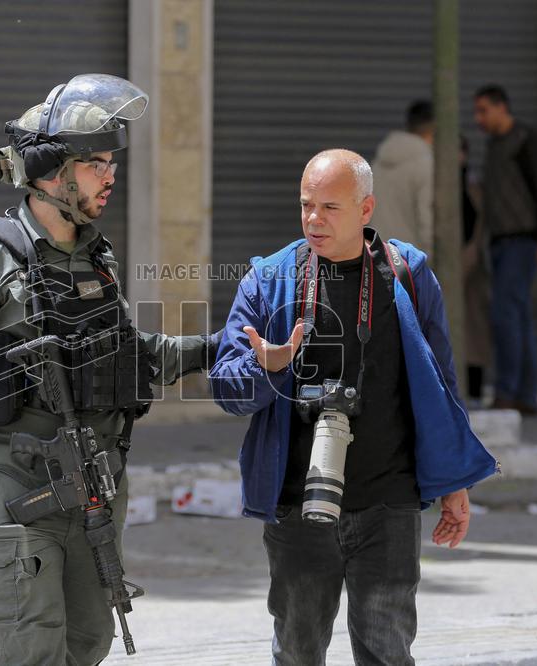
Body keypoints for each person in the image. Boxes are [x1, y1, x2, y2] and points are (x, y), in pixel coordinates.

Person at [0, 74, 218, 665]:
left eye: (111, 163)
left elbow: (131, 353)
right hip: (14, 488)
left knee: (87, 645)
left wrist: (221, 348)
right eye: (95, 164)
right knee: (32, 650)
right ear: (50, 172)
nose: (110, 176)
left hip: (93, 488)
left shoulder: (96, 256)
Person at [210, 149, 497, 665]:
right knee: (297, 653)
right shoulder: (269, 280)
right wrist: (267, 366)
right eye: (306, 205)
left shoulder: (408, 275)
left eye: (330, 207)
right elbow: (228, 391)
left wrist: (454, 481)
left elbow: (442, 385)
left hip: (389, 504)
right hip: (297, 507)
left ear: (366, 209)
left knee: (387, 653)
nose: (313, 219)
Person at [473, 84, 537, 415]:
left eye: (483, 110)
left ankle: (508, 392)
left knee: (505, 315)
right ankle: (526, 396)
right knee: (517, 317)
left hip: (522, 242)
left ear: (501, 107)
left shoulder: (525, 140)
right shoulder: (493, 145)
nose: (478, 118)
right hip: (500, 243)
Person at [369, 100, 434, 254]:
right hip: (410, 258)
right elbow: (427, 219)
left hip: (378, 252)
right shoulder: (426, 164)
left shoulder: (377, 163)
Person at [460, 134, 491, 405]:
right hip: (450, 267)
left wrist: (472, 252)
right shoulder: (439, 183)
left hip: (472, 265)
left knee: (474, 329)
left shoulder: (472, 187)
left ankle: (475, 387)